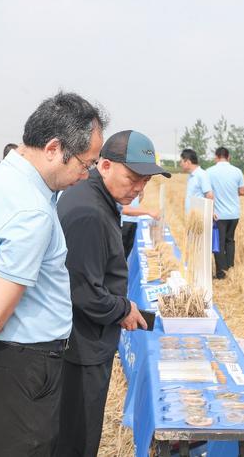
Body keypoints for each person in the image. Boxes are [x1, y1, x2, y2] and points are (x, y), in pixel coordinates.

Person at [0, 92, 107, 456]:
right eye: (85, 164)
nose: (85, 174)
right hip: (21, 369)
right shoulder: (31, 209)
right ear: (55, 148)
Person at [56, 130, 170, 457]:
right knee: (77, 437)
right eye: (133, 178)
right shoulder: (89, 211)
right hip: (81, 346)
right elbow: (84, 291)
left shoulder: (97, 198)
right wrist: (122, 309)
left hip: (86, 338)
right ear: (104, 165)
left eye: (145, 182)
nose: (138, 188)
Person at [206, 146, 244, 278]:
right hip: (234, 214)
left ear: (216, 157)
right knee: (230, 241)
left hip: (218, 215)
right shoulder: (237, 171)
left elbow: (207, 193)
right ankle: (230, 270)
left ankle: (221, 274)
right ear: (229, 157)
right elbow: (242, 191)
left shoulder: (209, 172)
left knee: (219, 243)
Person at [120, 190, 160, 258]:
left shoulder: (137, 186)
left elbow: (141, 194)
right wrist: (148, 212)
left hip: (134, 221)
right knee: (120, 251)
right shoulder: (122, 185)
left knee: (127, 250)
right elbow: (123, 209)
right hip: (123, 222)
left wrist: (135, 207)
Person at [180, 148, 213, 214]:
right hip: (191, 217)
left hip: (198, 218)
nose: (180, 164)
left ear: (188, 162)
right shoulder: (191, 176)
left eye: (181, 161)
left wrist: (210, 213)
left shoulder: (202, 174)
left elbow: (209, 195)